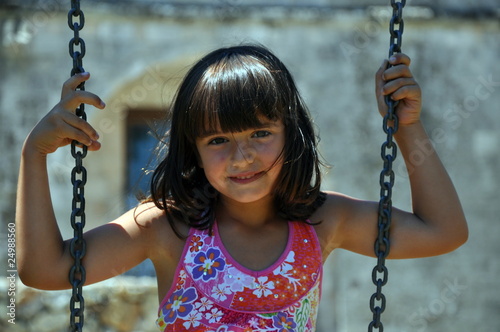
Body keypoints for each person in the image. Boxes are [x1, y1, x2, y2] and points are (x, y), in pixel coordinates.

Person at [16, 44, 468, 331]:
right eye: (218, 140)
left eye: (260, 133)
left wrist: (407, 128)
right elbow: (43, 271)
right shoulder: (167, 227)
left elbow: (443, 231)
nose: (242, 157)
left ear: (292, 134)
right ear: (192, 150)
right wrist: (32, 156)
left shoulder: (324, 221)